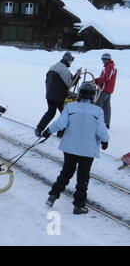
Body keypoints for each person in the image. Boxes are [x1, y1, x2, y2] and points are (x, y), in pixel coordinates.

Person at [43, 82, 109, 214]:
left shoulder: (70, 106)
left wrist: (48, 130)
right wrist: (105, 140)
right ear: (93, 95)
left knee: (66, 172)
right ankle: (79, 205)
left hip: (70, 147)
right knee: (83, 177)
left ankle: (53, 196)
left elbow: (61, 123)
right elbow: (101, 129)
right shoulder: (98, 111)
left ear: (80, 93)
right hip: (87, 150)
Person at [35, 52, 80, 137]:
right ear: (68, 60)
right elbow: (70, 83)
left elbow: (47, 81)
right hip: (60, 96)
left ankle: (39, 128)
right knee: (65, 114)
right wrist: (77, 75)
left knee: (50, 112)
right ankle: (61, 133)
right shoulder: (64, 69)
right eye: (71, 60)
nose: (71, 62)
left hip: (49, 95)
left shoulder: (53, 66)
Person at [94, 53, 117, 129]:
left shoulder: (109, 67)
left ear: (108, 59)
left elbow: (106, 78)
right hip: (108, 90)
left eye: (104, 59)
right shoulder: (111, 66)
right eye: (102, 59)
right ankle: (106, 123)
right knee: (106, 107)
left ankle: (95, 121)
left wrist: (96, 81)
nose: (103, 61)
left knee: (98, 105)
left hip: (104, 90)